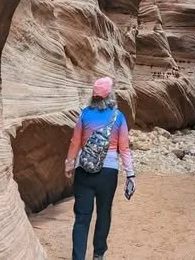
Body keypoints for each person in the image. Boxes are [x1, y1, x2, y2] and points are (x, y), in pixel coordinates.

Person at [65, 77, 136, 260]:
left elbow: (75, 142)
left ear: (94, 95)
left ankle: (78, 257)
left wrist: (70, 163)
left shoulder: (84, 114)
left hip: (84, 170)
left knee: (82, 217)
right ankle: (98, 254)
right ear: (110, 94)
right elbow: (124, 148)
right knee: (103, 213)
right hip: (108, 172)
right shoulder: (118, 117)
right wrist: (130, 174)